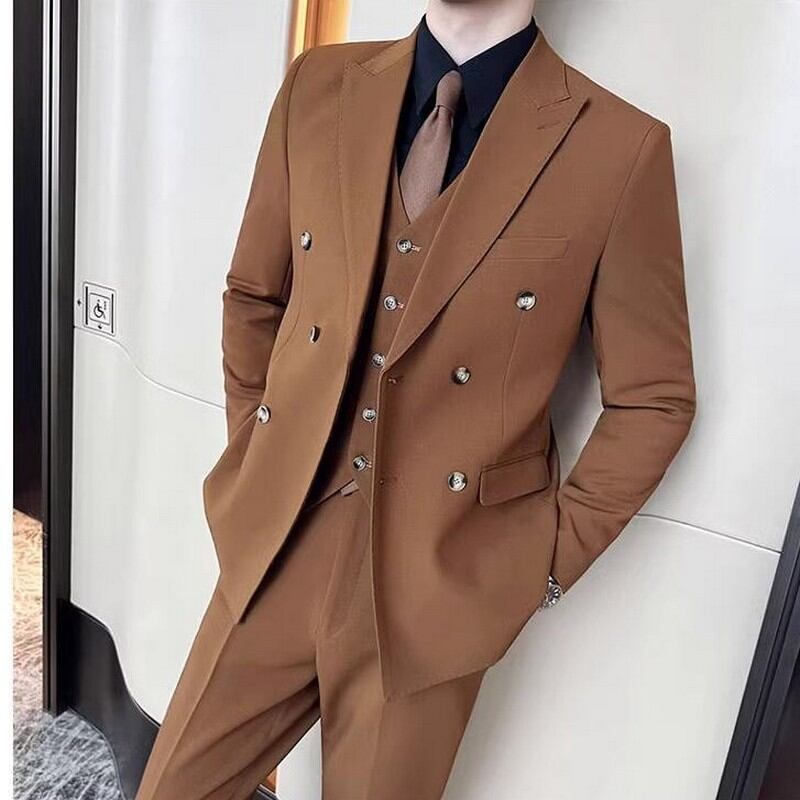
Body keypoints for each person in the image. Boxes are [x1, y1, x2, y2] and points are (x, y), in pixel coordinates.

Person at [135, 1, 696, 797]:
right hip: (277, 544)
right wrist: (260, 458)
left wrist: (542, 563)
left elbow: (655, 399)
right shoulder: (317, 85)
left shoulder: (620, 147)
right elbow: (254, 296)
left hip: (439, 589)